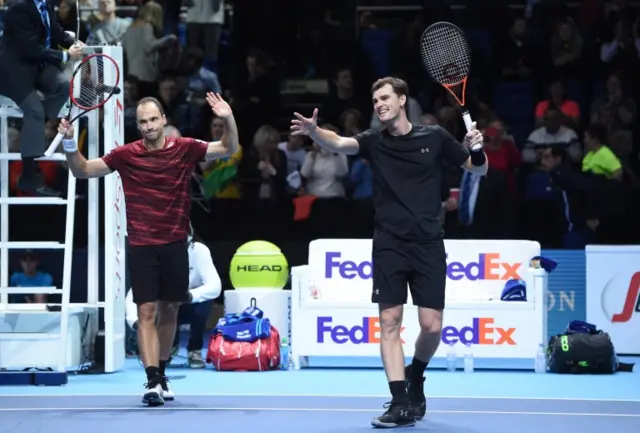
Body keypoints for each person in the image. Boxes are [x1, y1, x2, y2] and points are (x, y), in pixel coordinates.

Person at [290, 77, 487, 428]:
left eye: (384, 98)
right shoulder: (373, 141)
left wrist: (476, 149)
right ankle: (399, 403)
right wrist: (315, 132)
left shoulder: (435, 137)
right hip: (389, 243)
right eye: (375, 99)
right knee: (390, 322)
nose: (379, 103)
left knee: (431, 325)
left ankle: (417, 374)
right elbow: (338, 142)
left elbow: (479, 168)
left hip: (428, 243)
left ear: (401, 100)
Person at [58, 92, 238, 406]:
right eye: (143, 121)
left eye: (154, 119)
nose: (149, 126)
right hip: (142, 244)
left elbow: (228, 148)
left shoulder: (185, 149)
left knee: (170, 309)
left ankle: (163, 373)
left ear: (164, 120)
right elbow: (82, 170)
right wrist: (70, 143)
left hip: (175, 242)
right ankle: (152, 379)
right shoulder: (126, 155)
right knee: (146, 311)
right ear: (138, 125)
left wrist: (227, 118)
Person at [0, 0, 84, 196]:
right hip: (14, 72)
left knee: (64, 85)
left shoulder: (46, 5)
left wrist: (75, 44)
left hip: (39, 67)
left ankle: (36, 124)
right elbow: (29, 48)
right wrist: (65, 56)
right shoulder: (18, 10)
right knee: (35, 111)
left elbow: (54, 31)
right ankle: (28, 177)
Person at [125, 223, 222, 370]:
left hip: (188, 304)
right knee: (157, 305)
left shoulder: (199, 251)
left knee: (203, 303)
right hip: (165, 305)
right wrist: (136, 322)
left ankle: (194, 349)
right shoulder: (155, 252)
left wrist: (189, 296)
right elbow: (138, 291)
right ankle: (168, 348)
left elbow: (215, 286)